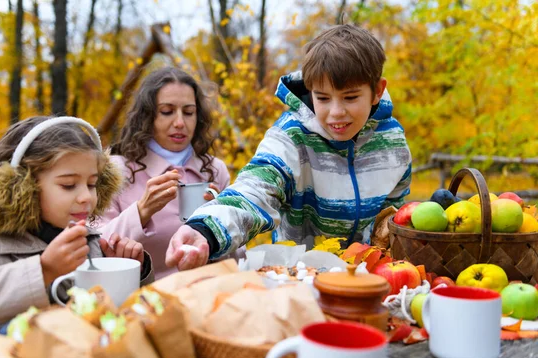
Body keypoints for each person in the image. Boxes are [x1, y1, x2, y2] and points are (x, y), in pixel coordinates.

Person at [166, 24, 412, 270]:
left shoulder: (393, 142)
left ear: (377, 91)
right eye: (323, 98)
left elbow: (393, 216)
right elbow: (255, 190)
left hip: (371, 281)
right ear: (310, 91)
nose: (336, 113)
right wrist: (206, 229)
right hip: (299, 280)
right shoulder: (290, 136)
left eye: (350, 97)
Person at [0, 116, 153, 339]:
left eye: (92, 184)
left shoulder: (93, 245)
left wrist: (131, 271)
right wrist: (42, 271)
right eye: (68, 185)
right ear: (21, 187)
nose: (86, 197)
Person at [97, 66, 231, 279]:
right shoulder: (116, 169)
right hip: (144, 300)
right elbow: (96, 249)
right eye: (167, 111)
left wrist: (217, 226)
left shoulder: (215, 170)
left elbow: (237, 257)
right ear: (147, 116)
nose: (179, 123)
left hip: (208, 295)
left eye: (188, 112)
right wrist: (141, 211)